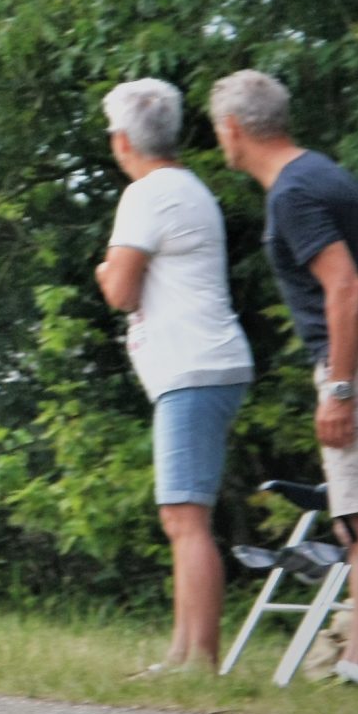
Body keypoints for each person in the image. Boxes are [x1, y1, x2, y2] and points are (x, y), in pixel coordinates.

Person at [211, 69, 358, 687]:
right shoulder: (325, 172)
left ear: (233, 128)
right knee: (356, 519)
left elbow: (347, 287)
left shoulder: (293, 194)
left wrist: (341, 387)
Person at [95, 79, 254, 671]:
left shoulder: (146, 194)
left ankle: (198, 660)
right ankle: (183, 654)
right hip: (204, 366)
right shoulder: (187, 186)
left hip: (194, 368)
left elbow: (120, 290)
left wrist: (105, 270)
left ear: (122, 140)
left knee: (186, 519)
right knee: (182, 517)